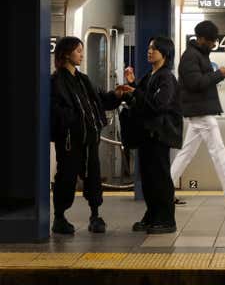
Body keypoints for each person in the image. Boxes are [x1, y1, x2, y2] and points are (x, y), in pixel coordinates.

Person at [50, 36, 133, 234]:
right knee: (66, 177)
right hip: (70, 141)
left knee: (93, 177)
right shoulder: (56, 81)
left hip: (89, 140)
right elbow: (57, 111)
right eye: (78, 51)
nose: (81, 55)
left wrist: (116, 95)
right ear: (66, 53)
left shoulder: (83, 79)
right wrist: (72, 123)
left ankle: (95, 215)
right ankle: (59, 217)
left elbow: (101, 100)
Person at [169, 21, 225, 206]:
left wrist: (217, 74)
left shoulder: (199, 54)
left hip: (200, 110)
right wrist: (219, 74)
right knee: (218, 150)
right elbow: (195, 83)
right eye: (211, 41)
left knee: (186, 153)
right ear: (200, 39)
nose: (214, 44)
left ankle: (165, 190)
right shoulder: (191, 57)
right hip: (201, 111)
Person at [124, 36, 183, 234]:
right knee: (148, 178)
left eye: (154, 49)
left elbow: (159, 105)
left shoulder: (166, 77)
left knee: (160, 177)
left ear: (164, 53)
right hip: (147, 134)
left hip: (159, 134)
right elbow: (142, 97)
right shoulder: (150, 75)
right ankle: (152, 215)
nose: (149, 51)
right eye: (149, 48)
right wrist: (132, 84)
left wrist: (135, 91)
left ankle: (166, 219)